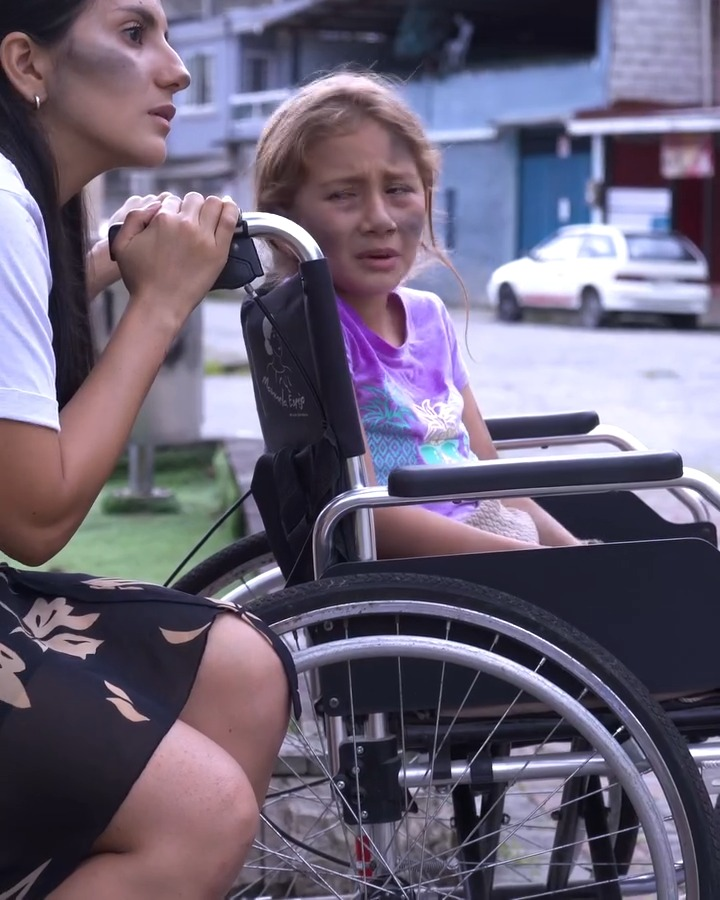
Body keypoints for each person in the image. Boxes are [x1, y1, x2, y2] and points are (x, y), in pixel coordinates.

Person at [0, 2, 299, 897]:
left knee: (243, 670)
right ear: (27, 64)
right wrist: (161, 302)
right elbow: (34, 516)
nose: (177, 69)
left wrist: (97, 262)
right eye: (135, 34)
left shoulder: (30, 208)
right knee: (200, 813)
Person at [254, 71, 582, 557]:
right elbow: (366, 516)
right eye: (343, 194)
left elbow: (492, 476)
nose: (380, 220)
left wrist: (575, 554)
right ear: (286, 217)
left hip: (494, 533)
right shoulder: (315, 329)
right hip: (438, 572)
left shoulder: (430, 315)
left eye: (398, 189)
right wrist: (531, 562)